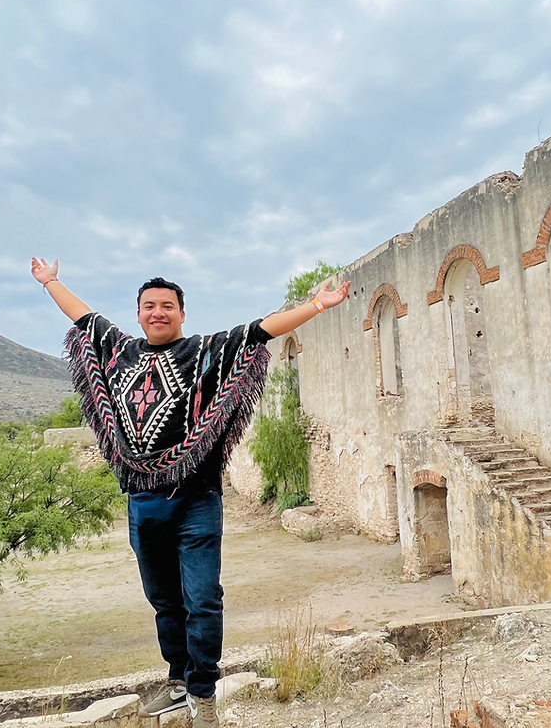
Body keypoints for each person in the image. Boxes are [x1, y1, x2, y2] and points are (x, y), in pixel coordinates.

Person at [30, 257, 349, 728]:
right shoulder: (118, 351)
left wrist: (317, 305)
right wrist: (51, 281)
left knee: (203, 599)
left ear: (182, 312)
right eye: (149, 306)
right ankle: (177, 679)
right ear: (138, 313)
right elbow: (82, 316)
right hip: (143, 504)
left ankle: (202, 693)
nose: (158, 312)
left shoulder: (204, 352)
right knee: (164, 601)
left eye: (167, 305)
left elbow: (259, 331)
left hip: (196, 500)